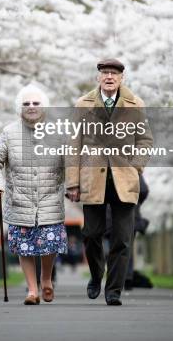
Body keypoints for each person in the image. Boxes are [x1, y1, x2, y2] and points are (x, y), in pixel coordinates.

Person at [65, 58, 153, 306]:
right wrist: (72, 182)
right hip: (93, 178)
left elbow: (145, 140)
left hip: (125, 180)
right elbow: (73, 146)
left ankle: (114, 289)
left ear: (122, 78)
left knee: (122, 239)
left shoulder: (136, 104)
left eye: (114, 73)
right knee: (91, 234)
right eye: (105, 73)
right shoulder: (83, 104)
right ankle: (96, 275)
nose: (109, 77)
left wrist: (135, 167)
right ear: (98, 78)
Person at [0, 84, 68, 305]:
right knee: (24, 246)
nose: (31, 107)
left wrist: (74, 186)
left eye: (36, 103)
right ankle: (32, 290)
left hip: (50, 198)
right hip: (19, 200)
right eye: (26, 103)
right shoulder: (9, 133)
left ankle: (46, 279)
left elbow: (73, 161)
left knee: (49, 243)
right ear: (19, 108)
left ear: (45, 107)